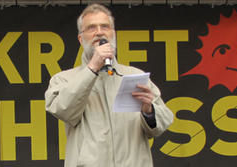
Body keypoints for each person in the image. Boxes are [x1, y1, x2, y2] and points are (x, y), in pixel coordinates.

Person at [45, 3, 173, 167]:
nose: (99, 32)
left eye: (105, 26)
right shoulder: (64, 79)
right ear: (80, 38)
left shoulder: (134, 76)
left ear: (113, 34)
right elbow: (64, 110)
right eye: (91, 28)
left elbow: (162, 124)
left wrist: (149, 111)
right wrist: (92, 68)